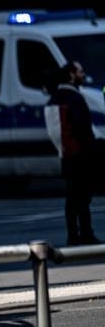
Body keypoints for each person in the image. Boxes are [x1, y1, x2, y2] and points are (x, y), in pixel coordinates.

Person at [46, 61, 101, 246]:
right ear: (71, 75)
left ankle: (73, 234)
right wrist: (92, 149)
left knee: (71, 198)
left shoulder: (54, 98)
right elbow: (82, 129)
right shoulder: (74, 98)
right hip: (80, 156)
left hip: (66, 154)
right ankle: (85, 233)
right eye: (80, 71)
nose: (83, 75)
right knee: (83, 198)